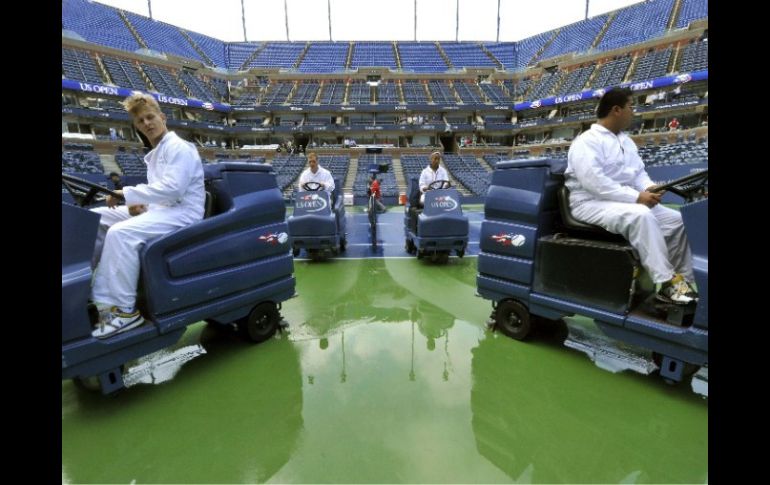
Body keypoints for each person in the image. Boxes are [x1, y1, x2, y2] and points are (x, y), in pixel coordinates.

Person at [565, 87, 697, 305]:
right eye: (630, 106)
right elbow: (595, 183)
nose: (633, 111)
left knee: (677, 222)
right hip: (590, 202)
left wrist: (650, 188)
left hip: (621, 201)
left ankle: (684, 282)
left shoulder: (626, 141)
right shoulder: (586, 141)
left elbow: (638, 175)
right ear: (616, 110)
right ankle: (666, 283)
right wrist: (637, 197)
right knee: (641, 215)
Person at [89, 92, 205, 338]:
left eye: (150, 117)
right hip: (165, 209)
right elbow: (163, 195)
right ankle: (92, 290)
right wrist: (139, 205)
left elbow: (174, 189)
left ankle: (123, 313)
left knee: (120, 233)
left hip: (184, 213)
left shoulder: (179, 147)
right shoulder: (157, 152)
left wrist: (129, 194)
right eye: (140, 122)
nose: (147, 124)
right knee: (98, 217)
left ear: (162, 117)